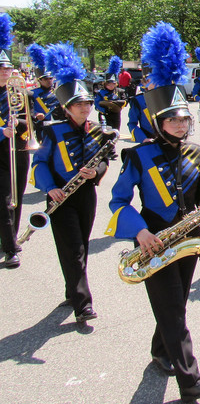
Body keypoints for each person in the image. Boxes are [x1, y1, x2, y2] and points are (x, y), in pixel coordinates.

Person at [106, 22, 200, 402]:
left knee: (176, 303)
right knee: (173, 310)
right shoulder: (138, 156)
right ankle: (190, 380)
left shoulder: (199, 153)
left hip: (189, 239)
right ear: (157, 121)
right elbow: (118, 202)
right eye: (172, 119)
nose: (181, 125)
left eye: (184, 118)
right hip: (154, 240)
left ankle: (159, 351)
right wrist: (139, 233)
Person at [32, 42, 115, 323]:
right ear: (67, 108)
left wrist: (98, 172)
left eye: (88, 103)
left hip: (85, 195)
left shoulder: (96, 131)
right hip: (60, 196)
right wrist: (49, 188)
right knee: (73, 248)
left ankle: (72, 290)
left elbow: (104, 160)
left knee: (81, 245)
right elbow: (40, 164)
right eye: (79, 104)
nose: (85, 108)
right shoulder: (53, 133)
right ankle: (83, 304)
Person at [0, 14, 29, 269]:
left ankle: (9, 237)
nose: (5, 72)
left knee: (16, 196)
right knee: (4, 198)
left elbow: (30, 121)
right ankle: (10, 249)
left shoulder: (19, 91)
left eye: (8, 68)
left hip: (18, 149)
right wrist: (2, 131)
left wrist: (18, 125)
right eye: (1, 69)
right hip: (0, 148)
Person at [26, 43, 59, 143]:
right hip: (42, 125)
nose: (49, 81)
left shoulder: (58, 92)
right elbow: (29, 110)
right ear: (39, 81)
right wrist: (36, 114)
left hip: (57, 123)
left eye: (50, 78)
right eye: (45, 79)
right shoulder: (32, 93)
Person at [94, 56, 125, 131]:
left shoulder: (119, 91)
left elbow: (124, 101)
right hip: (105, 115)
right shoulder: (101, 93)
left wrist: (118, 105)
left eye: (113, 84)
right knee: (107, 132)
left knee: (116, 131)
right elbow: (97, 104)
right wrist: (104, 110)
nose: (111, 86)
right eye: (109, 84)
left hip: (116, 114)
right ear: (105, 84)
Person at [127, 66, 156, 143]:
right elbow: (132, 124)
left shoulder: (170, 97)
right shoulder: (138, 100)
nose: (157, 83)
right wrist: (143, 139)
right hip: (149, 140)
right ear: (146, 81)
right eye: (154, 79)